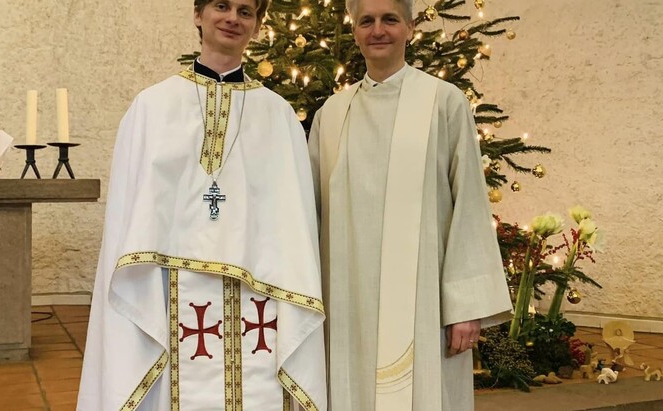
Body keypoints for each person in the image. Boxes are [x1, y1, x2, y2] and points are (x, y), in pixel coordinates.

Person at [77, 1, 326, 410]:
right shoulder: (152, 107)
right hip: (165, 285)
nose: (232, 19)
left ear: (257, 25)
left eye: (245, 11)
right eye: (221, 6)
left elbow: (294, 222)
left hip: (259, 290)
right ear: (198, 14)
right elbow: (129, 215)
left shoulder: (278, 115)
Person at [308, 0, 512, 409]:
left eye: (390, 19)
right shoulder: (331, 114)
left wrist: (465, 307)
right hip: (345, 301)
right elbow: (310, 214)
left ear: (410, 27)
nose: (377, 30)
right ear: (354, 30)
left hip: (425, 302)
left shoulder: (443, 102)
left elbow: (470, 204)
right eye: (366, 21)